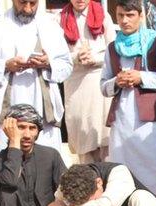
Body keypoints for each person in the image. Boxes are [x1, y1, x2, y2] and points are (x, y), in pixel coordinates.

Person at [0, 0, 72, 201]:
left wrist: (48, 63)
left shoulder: (51, 27)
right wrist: (5, 65)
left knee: (46, 169)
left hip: (44, 113)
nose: (27, 8)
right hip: (5, 114)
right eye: (23, 2)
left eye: (32, 3)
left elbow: (67, 66)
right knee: (7, 170)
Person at [100, 0, 156, 206]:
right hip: (121, 124)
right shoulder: (112, 46)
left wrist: (141, 77)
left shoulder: (155, 40)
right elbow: (103, 86)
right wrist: (116, 82)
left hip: (150, 123)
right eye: (120, 15)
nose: (125, 20)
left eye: (130, 15)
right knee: (122, 175)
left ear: (140, 16)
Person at [60, 0, 116, 163]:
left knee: (107, 144)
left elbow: (114, 49)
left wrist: (96, 58)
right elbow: (56, 56)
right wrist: (76, 57)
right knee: (84, 142)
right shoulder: (60, 19)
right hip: (76, 85)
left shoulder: (103, 15)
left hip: (100, 82)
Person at [0, 105, 68, 206]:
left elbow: (66, 186)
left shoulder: (50, 155)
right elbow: (10, 182)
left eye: (32, 128)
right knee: (7, 194)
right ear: (10, 130)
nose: (27, 135)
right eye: (21, 127)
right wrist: (14, 141)